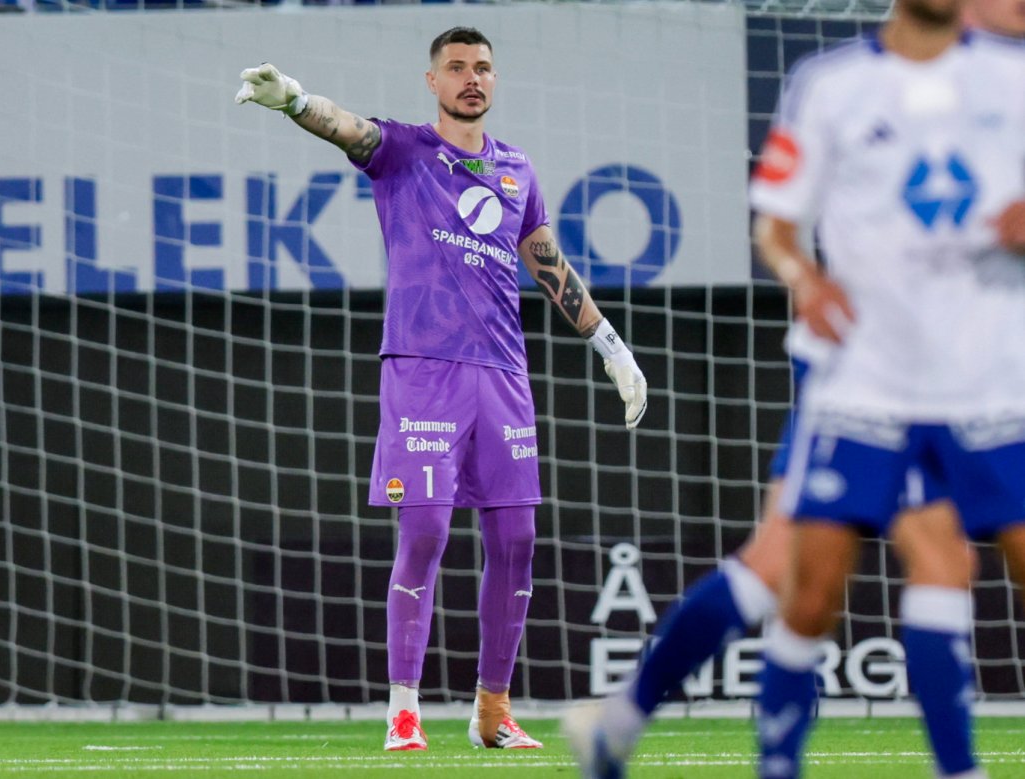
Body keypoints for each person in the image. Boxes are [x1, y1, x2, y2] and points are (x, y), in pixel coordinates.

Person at [564, 0, 1025, 775]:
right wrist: (804, 278)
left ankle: (623, 716)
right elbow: (776, 223)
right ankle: (665, 726)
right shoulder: (832, 85)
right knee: (803, 579)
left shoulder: (1007, 78)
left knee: (930, 564)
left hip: (978, 381)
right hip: (862, 376)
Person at [234, 27, 648, 752]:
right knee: (425, 530)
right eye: (457, 67)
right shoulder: (403, 151)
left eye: (482, 67)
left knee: (517, 540)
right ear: (434, 81)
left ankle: (493, 710)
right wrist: (295, 100)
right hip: (423, 370)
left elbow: (548, 264)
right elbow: (347, 127)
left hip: (504, 375)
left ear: (495, 79)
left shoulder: (517, 169)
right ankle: (404, 708)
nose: (471, 78)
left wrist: (609, 346)